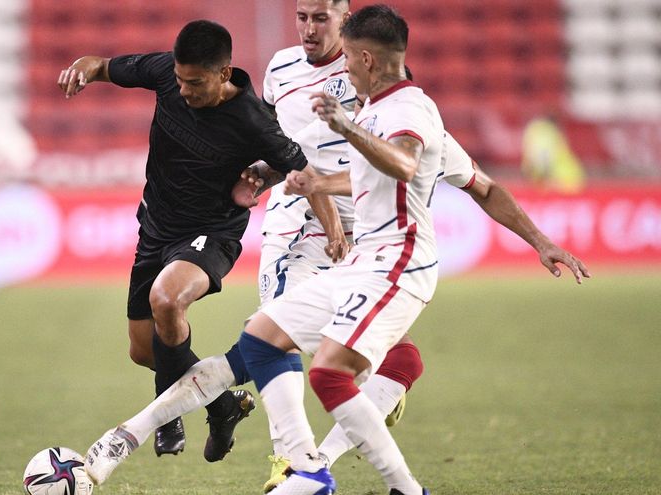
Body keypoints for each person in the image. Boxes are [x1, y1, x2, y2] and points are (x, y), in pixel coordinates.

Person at [81, 5, 589, 495]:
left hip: (390, 260)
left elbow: (414, 167)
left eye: (345, 54)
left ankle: (307, 467)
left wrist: (326, 151)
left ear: (364, 56)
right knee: (263, 342)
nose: (338, 68)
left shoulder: (404, 115)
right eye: (302, 17)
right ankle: (303, 463)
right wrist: (286, 175)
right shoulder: (322, 95)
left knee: (322, 367)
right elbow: (319, 162)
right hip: (329, 245)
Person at [57, 19, 346, 463]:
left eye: (195, 83)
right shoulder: (165, 72)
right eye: (179, 80)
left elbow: (304, 174)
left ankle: (164, 412)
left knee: (168, 300)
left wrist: (335, 234)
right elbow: (104, 66)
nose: (184, 91)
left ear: (224, 73)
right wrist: (82, 68)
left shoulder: (253, 120)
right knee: (143, 349)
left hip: (211, 232)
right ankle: (222, 406)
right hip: (155, 226)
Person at [255, 1, 424, 489]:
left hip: (364, 222)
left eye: (320, 18)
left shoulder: (370, 72)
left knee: (366, 347)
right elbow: (280, 146)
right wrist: (261, 173)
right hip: (295, 213)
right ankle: (290, 459)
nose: (309, 28)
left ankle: (372, 386)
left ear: (344, 18)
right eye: (301, 17)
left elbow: (394, 154)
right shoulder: (279, 69)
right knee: (274, 328)